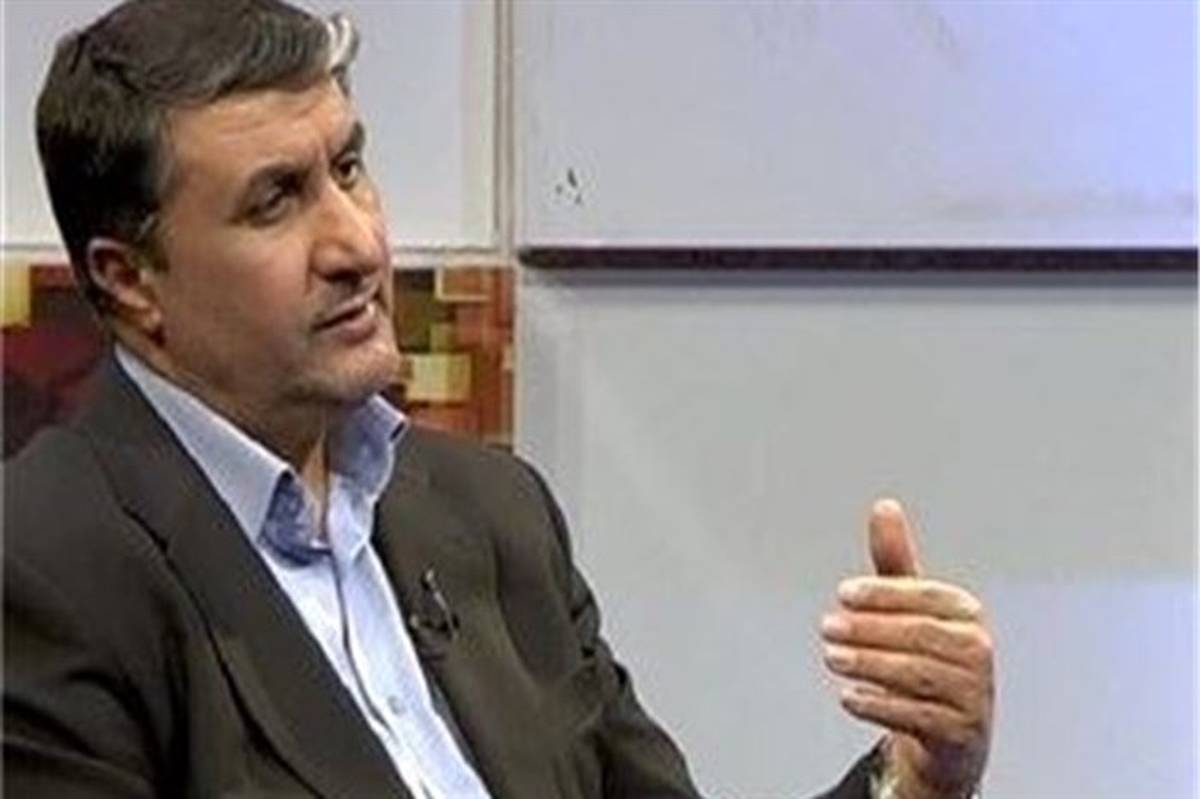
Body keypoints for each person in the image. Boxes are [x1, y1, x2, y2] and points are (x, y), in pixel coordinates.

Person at [3, 1, 994, 797]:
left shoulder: (488, 514)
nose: (357, 245)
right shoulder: (43, 573)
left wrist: (915, 778)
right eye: (276, 200)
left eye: (349, 169)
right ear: (131, 279)